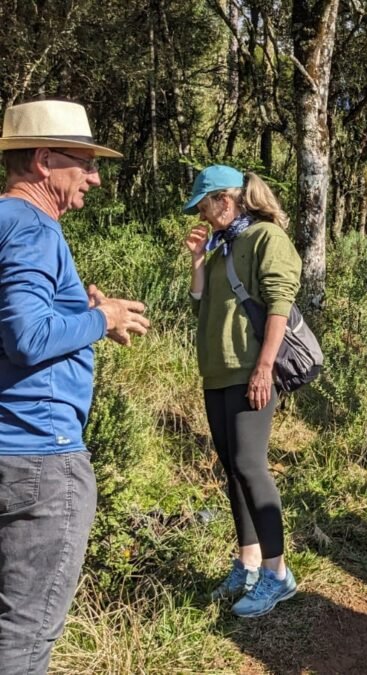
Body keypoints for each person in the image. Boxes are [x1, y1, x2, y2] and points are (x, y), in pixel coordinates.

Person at [0, 99, 150, 674]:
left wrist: (78, 315)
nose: (94, 176)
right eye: (84, 162)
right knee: (24, 637)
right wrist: (102, 318)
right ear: (43, 160)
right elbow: (27, 336)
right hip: (39, 457)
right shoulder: (34, 228)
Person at [183, 164, 301, 618]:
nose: (202, 214)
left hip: (250, 370)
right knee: (233, 469)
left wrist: (264, 369)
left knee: (251, 467)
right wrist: (198, 260)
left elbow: (279, 305)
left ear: (226, 200)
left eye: (204, 205)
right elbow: (200, 302)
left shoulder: (266, 238)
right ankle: (248, 561)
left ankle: (277, 573)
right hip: (217, 372)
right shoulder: (221, 246)